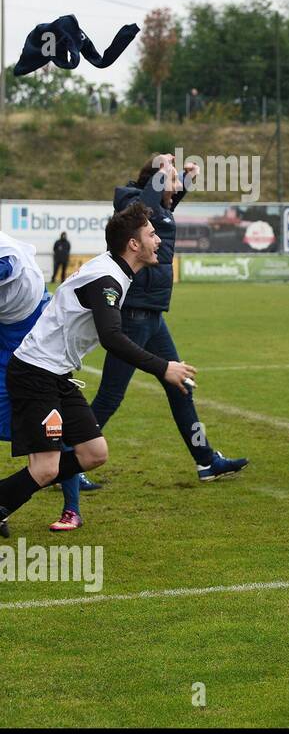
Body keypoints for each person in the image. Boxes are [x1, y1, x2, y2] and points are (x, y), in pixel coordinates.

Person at [0, 203, 196, 537]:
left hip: (55, 373)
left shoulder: (113, 271)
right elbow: (112, 338)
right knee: (45, 469)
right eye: (151, 234)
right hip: (35, 374)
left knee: (94, 453)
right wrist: (163, 367)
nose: (158, 240)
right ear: (133, 244)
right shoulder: (106, 279)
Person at [87, 156, 247, 483]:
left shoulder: (156, 209)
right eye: (170, 185)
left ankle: (205, 460)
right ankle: (66, 460)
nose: (174, 194)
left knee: (181, 386)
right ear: (156, 182)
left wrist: (186, 178)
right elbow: (146, 205)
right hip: (134, 315)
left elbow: (161, 202)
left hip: (153, 316)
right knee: (110, 396)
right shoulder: (136, 210)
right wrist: (164, 170)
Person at [0, 230, 83, 530]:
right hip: (6, 333)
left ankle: (71, 508)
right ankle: (5, 501)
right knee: (21, 428)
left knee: (55, 428)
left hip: (33, 339)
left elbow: (6, 264)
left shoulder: (7, 255)